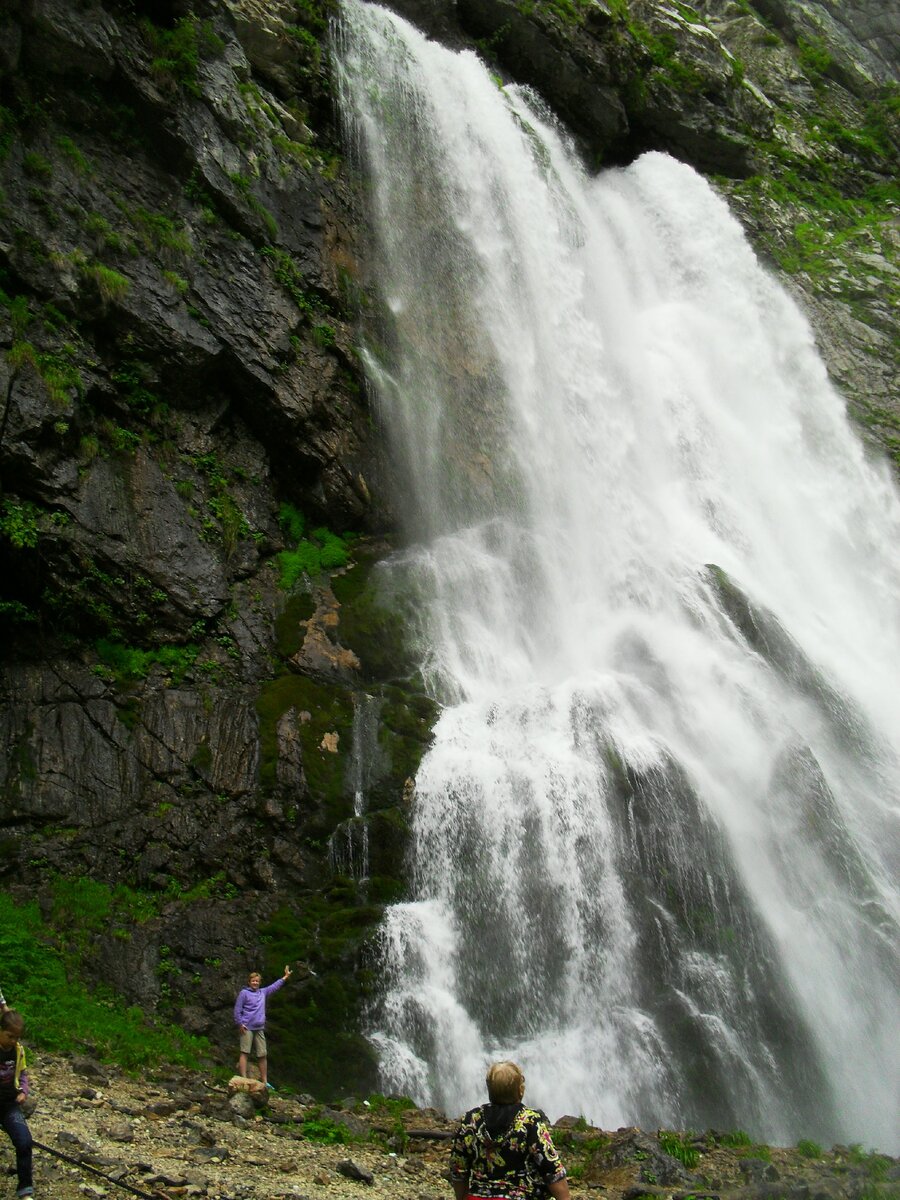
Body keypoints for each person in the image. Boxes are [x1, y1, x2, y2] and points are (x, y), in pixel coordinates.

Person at [450, 1061, 571, 1200]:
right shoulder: (529, 1122)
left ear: (489, 1090)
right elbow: (551, 1169)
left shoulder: (470, 1121)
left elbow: (458, 1170)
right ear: (520, 1090)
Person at [233, 965, 292, 1089]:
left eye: (257, 981)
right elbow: (237, 1009)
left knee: (262, 1054)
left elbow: (274, 987)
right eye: (253, 981)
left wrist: (285, 977)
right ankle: (243, 1078)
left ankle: (265, 1081)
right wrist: (240, 1023)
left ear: (259, 983)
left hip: (259, 1028)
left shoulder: (263, 992)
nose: (255, 983)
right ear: (249, 982)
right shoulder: (244, 993)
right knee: (245, 1052)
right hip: (247, 1027)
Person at [0, 1010, 34, 1198]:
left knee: (24, 1141)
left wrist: (23, 1091)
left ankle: (25, 1189)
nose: (13, 1040)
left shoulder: (18, 1051)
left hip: (8, 1103)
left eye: (17, 1037)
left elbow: (23, 1075)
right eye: (9, 1036)